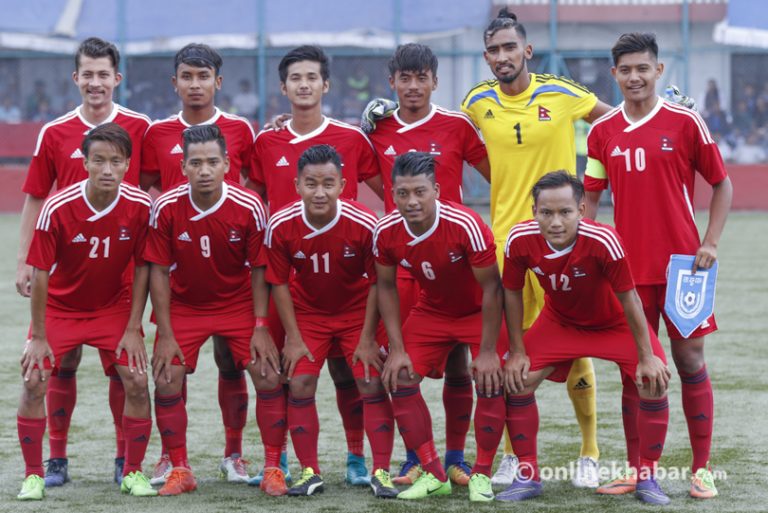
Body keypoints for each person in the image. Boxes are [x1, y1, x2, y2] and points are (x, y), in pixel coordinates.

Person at [461, 8, 609, 487]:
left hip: (564, 238)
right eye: (494, 51)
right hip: (507, 242)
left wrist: (591, 193)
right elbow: (444, 135)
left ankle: (589, 450)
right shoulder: (477, 101)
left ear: (527, 50)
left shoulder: (564, 93)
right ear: (486, 58)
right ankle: (511, 454)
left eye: (510, 47)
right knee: (511, 349)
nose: (502, 57)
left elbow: (612, 129)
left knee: (574, 336)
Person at [585, 32, 733, 499]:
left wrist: (710, 242)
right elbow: (590, 195)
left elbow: (722, 185)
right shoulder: (601, 132)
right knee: (635, 369)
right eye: (625, 70)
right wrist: (588, 243)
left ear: (658, 71)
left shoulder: (686, 123)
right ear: (615, 75)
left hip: (684, 267)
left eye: (642, 68)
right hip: (627, 271)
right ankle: (637, 468)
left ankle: (701, 469)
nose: (634, 77)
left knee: (689, 361)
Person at [14, 37, 151, 488]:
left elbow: (155, 186)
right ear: (76, 79)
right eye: (87, 74)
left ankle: (122, 459)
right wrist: (22, 261)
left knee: (125, 370)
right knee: (60, 365)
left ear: (117, 78)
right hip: (64, 273)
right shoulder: (54, 131)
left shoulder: (140, 126)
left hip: (118, 273)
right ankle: (54, 460)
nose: (95, 82)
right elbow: (37, 197)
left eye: (103, 74)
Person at [247, 44, 383, 487]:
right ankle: (282, 461)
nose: (304, 85)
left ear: (325, 84)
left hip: (346, 281)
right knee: (287, 374)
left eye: (312, 77)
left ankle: (357, 459)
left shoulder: (352, 139)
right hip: (289, 281)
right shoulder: (266, 140)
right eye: (295, 78)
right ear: (284, 87)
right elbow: (251, 197)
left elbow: (388, 194)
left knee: (351, 373)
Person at [500, 170, 672, 505]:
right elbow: (511, 293)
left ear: (581, 209)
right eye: (546, 212)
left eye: (565, 212)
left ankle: (647, 476)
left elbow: (630, 300)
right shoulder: (519, 239)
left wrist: (646, 355)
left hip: (614, 323)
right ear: (533, 210)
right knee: (517, 380)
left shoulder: (603, 240)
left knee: (654, 381)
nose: (555, 221)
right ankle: (527, 475)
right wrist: (517, 351)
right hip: (561, 322)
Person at [365, 42, 491, 487]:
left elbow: (500, 172)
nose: (413, 86)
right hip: (402, 263)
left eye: (422, 78)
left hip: (455, 260)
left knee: (459, 364)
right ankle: (416, 457)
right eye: (405, 78)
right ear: (392, 82)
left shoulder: (457, 126)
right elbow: (350, 164)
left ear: (435, 81)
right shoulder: (374, 130)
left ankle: (455, 457)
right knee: (397, 363)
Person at [140, 43, 257, 485]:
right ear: (175, 82)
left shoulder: (241, 129)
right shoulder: (155, 134)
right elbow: (140, 190)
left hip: (230, 273)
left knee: (233, 362)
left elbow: (257, 188)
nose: (195, 84)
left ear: (217, 82)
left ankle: (234, 454)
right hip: (178, 273)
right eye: (186, 76)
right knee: (172, 366)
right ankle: (172, 458)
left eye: (203, 76)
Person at [144, 124, 276, 496]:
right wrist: (165, 332)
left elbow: (260, 268)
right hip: (186, 306)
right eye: (196, 163)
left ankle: (263, 464)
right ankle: (179, 466)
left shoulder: (249, 205)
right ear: (183, 166)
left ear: (227, 165)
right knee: (166, 377)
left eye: (212, 162)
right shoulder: (165, 206)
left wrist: (261, 324)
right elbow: (157, 270)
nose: (204, 170)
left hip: (237, 304)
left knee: (266, 373)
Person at [265, 144, 397, 498]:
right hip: (309, 315)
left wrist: (368, 337)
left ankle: (380, 470)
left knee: (370, 383)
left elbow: (377, 283)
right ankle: (310, 472)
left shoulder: (365, 223)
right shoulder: (281, 223)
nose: (319, 192)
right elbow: (277, 281)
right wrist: (292, 337)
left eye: (328, 183)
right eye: (311, 184)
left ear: (342, 185)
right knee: (300, 384)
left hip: (358, 315)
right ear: (297, 185)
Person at [374, 152, 507, 502]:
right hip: (433, 311)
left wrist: (489, 351)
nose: (411, 201)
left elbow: (493, 288)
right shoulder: (386, 230)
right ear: (393, 192)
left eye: (420, 191)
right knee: (398, 373)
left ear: (436, 189)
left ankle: (481, 472)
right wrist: (397, 347)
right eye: (403, 193)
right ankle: (434, 472)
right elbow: (386, 286)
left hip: (479, 312)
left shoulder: (466, 224)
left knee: (491, 378)